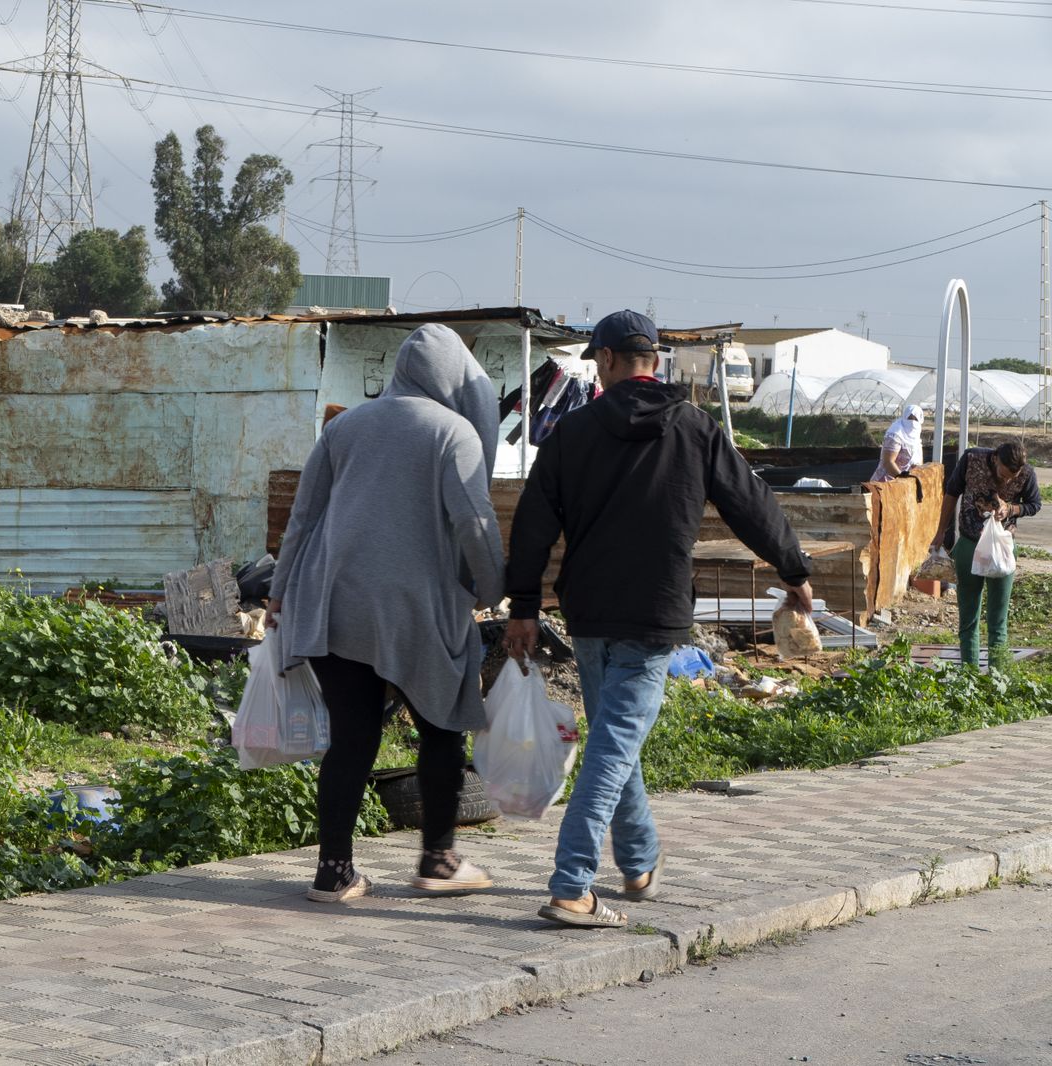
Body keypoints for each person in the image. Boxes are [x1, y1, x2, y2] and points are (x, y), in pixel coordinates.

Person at [505, 309, 813, 929]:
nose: (596, 371)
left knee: (616, 747)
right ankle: (571, 884)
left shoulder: (571, 434)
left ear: (612, 360)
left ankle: (639, 861)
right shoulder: (695, 429)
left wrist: (525, 607)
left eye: (596, 361)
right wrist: (793, 568)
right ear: (654, 360)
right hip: (653, 614)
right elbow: (751, 501)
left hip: (590, 613)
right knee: (614, 749)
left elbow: (532, 528)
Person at [268, 323, 506, 903]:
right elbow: (475, 525)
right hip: (414, 607)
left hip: (333, 600)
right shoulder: (457, 435)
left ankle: (334, 871)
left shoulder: (344, 426)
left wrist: (278, 592)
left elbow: (302, 518)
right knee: (442, 726)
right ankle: (438, 860)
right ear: (456, 379)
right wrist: (493, 591)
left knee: (352, 737)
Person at [930, 441, 1040, 670]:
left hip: (1002, 550)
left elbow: (1034, 504)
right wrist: (941, 531)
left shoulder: (1027, 474)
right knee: (969, 618)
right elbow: (951, 493)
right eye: (1004, 474)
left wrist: (1011, 509)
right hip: (970, 546)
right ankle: (969, 675)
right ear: (996, 458)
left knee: (997, 621)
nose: (1007, 481)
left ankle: (996, 678)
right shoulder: (971, 459)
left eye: (1013, 477)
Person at [871, 405, 924, 482]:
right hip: (887, 483)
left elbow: (918, 462)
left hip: (907, 483)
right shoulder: (895, 434)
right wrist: (902, 479)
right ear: (904, 417)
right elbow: (888, 462)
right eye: (909, 418)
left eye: (915, 419)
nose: (912, 422)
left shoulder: (916, 437)